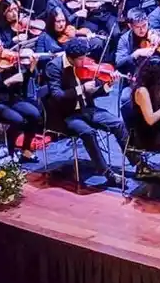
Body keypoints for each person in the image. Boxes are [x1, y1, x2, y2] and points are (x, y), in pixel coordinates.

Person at [44, 38, 137, 185]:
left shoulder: (83, 66)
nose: (85, 61)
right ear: (70, 58)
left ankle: (138, 164)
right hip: (66, 115)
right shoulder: (54, 67)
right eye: (81, 59)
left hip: (86, 108)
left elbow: (92, 93)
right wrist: (82, 89)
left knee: (118, 123)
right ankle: (107, 173)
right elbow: (57, 95)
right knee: (88, 132)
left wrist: (107, 85)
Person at [0, 33, 42, 161]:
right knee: (18, 120)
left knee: (34, 114)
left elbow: (21, 86)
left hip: (9, 99)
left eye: (2, 46)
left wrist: (30, 70)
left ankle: (26, 149)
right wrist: (8, 82)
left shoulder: (7, 64)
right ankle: (9, 152)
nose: (2, 49)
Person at [129, 57, 160, 190]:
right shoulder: (142, 91)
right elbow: (150, 119)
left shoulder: (156, 88)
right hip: (148, 136)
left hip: (159, 130)